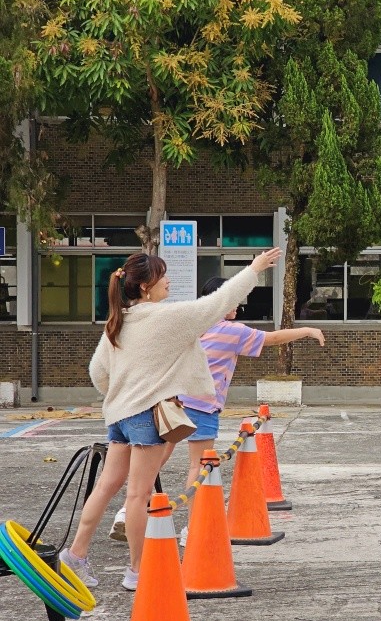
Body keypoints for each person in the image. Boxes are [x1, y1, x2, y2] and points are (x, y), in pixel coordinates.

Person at [58, 248, 282, 590]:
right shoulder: (168, 318)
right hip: (146, 416)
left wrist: (122, 394)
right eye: (163, 276)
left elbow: (97, 373)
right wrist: (253, 269)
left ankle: (75, 555)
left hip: (118, 415)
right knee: (138, 495)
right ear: (146, 286)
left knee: (107, 487)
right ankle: (136, 571)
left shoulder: (118, 320)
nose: (169, 281)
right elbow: (219, 303)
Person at [108, 276, 325, 544]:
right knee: (198, 468)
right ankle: (192, 528)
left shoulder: (191, 325)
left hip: (171, 402)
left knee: (154, 462)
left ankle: (126, 511)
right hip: (203, 406)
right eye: (234, 300)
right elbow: (272, 338)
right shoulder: (231, 331)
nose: (237, 306)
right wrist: (306, 331)